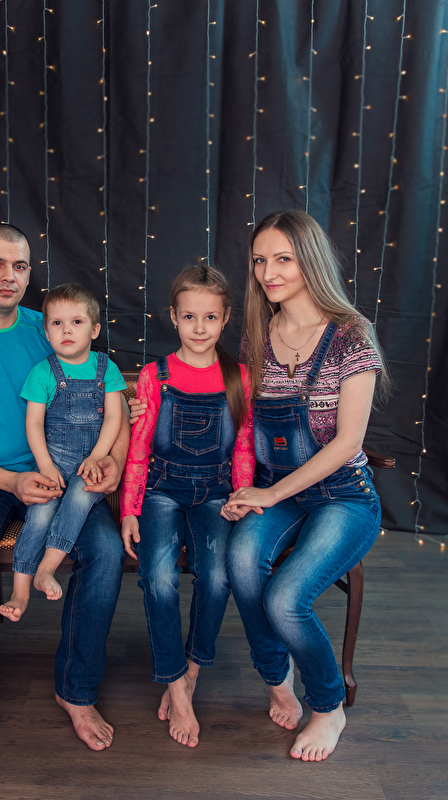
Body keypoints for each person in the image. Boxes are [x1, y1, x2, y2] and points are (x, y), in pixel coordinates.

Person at [0, 224, 129, 762]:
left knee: (106, 554)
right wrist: (10, 480)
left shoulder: (54, 326)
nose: (9, 275)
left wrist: (113, 460)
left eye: (20, 266)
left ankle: (76, 690)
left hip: (63, 477)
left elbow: (113, 407)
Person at [221, 210, 390, 762]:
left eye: (283, 259)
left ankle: (328, 705)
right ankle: (277, 678)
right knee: (241, 561)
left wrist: (269, 495)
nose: (268, 272)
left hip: (344, 496)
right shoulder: (259, 335)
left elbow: (347, 442)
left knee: (287, 598)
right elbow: (245, 422)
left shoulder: (350, 335)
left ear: (310, 260)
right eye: (260, 261)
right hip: (278, 488)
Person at [121, 265, 255, 749]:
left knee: (216, 578)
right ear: (174, 317)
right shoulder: (154, 376)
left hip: (217, 491)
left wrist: (241, 494)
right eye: (190, 317)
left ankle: (193, 668)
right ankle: (175, 684)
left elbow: (243, 445)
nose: (200, 328)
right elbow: (139, 448)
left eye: (211, 317)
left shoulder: (239, 377)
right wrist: (130, 508)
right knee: (158, 578)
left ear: (226, 319)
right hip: (161, 488)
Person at [0, 284, 126, 620]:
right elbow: (33, 424)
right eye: (57, 323)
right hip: (52, 464)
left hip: (88, 467)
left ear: (94, 330)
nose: (66, 330)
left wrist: (97, 456)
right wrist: (44, 465)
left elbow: (114, 418)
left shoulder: (106, 369)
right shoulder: (43, 372)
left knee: (81, 496)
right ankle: (20, 591)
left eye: (76, 322)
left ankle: (47, 569)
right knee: (40, 514)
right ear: (46, 332)